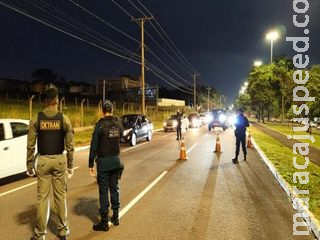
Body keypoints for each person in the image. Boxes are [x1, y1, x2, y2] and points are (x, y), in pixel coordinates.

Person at [26, 88, 74, 240]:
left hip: (44, 162)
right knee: (60, 197)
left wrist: (29, 165)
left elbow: (30, 145)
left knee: (42, 199)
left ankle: (40, 235)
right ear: (57, 101)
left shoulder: (37, 118)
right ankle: (62, 231)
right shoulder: (64, 119)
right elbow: (70, 145)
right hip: (59, 161)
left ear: (45, 101)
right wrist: (71, 165)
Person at [88, 100, 124, 231]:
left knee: (103, 191)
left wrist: (91, 163)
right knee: (114, 188)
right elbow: (122, 133)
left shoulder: (100, 126)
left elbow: (94, 146)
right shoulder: (117, 124)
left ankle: (104, 222)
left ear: (102, 111)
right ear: (112, 110)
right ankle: (115, 217)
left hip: (103, 163)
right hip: (115, 161)